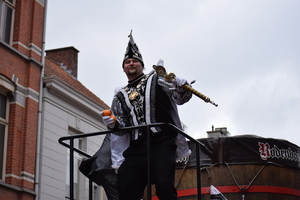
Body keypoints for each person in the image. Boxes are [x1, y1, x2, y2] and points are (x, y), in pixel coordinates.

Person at [102, 31, 192, 200]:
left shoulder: (157, 79)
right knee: (125, 183)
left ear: (142, 65)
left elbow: (180, 98)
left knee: (164, 186)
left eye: (135, 61)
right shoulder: (120, 95)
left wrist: (182, 86)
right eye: (127, 62)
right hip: (136, 148)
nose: (131, 63)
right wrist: (113, 124)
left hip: (162, 143)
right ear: (123, 68)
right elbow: (122, 128)